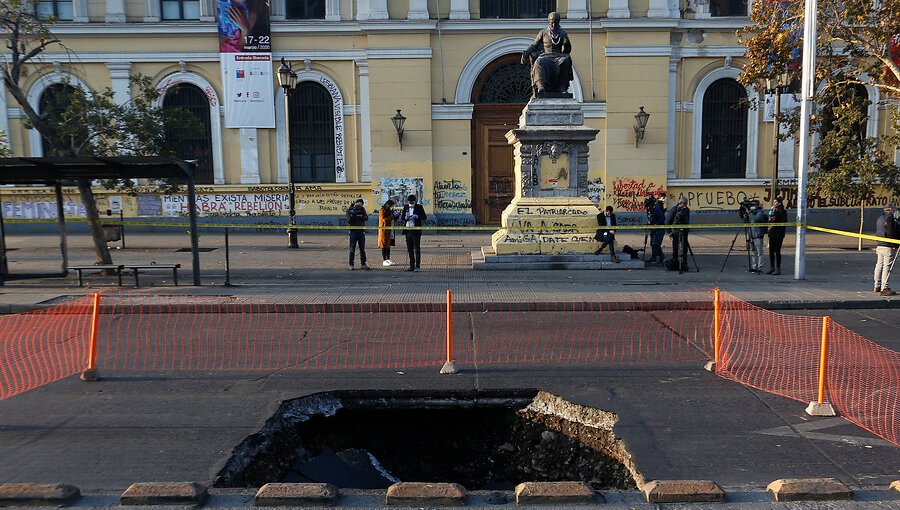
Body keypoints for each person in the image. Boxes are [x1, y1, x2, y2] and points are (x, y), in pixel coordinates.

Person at [521, 12, 573, 97]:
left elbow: (567, 50)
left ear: (558, 22)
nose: (553, 24)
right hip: (546, 55)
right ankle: (541, 86)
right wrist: (526, 52)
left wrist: (567, 43)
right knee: (539, 61)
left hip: (558, 56)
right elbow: (534, 45)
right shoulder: (543, 32)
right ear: (549, 22)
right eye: (551, 22)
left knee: (566, 60)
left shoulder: (563, 33)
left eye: (555, 22)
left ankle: (562, 87)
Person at [873, 203, 899, 295]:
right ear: (891, 209)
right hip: (887, 246)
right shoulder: (890, 218)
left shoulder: (880, 218)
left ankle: (877, 285)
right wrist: (894, 245)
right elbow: (891, 232)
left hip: (879, 245)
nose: (895, 210)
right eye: (894, 209)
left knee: (879, 265)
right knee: (886, 267)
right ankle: (885, 287)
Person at [400, 194, 427, 272]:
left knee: (417, 248)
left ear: (415, 201)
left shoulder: (419, 207)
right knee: (409, 248)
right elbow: (402, 217)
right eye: (409, 202)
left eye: (412, 202)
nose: (410, 203)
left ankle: (417, 266)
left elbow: (424, 217)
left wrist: (417, 217)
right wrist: (405, 218)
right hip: (408, 230)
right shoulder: (406, 207)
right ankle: (411, 265)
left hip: (416, 230)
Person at [666, 196, 690, 272]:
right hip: (676, 232)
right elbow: (667, 221)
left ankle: (684, 263)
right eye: (685, 204)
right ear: (681, 203)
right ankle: (675, 261)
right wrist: (669, 232)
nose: (686, 205)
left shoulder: (686, 210)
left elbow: (686, 221)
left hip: (684, 232)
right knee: (675, 247)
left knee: (684, 248)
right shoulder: (674, 210)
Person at [346, 199, 371, 270]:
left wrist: (361, 216)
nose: (359, 206)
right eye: (359, 204)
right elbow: (349, 221)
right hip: (353, 232)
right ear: (355, 204)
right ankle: (351, 265)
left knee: (362, 249)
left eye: (361, 205)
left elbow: (366, 218)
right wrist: (353, 215)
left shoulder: (362, 210)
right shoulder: (349, 210)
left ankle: (363, 264)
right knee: (352, 249)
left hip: (361, 232)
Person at [767, 197, 788, 275]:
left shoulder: (782, 211)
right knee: (771, 251)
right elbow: (770, 220)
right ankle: (772, 267)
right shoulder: (772, 211)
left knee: (777, 251)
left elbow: (781, 222)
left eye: (775, 202)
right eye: (773, 202)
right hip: (772, 233)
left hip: (778, 234)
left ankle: (778, 269)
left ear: (779, 203)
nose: (774, 203)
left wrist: (773, 225)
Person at [748, 200, 768, 273]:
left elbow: (757, 219)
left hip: (757, 235)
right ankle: (754, 267)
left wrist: (756, 211)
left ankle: (759, 267)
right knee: (754, 252)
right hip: (752, 235)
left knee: (759, 253)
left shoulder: (759, 212)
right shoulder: (752, 213)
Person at [377, 200, 398, 266]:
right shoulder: (382, 210)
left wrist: (396, 216)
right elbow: (384, 220)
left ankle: (388, 259)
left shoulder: (390, 211)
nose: (392, 207)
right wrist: (392, 216)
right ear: (388, 205)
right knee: (384, 245)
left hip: (390, 229)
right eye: (391, 206)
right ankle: (384, 259)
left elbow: (393, 219)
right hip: (384, 230)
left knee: (388, 245)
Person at [648, 196, 666, 265]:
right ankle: (654, 257)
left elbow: (662, 218)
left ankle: (662, 258)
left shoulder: (657, 209)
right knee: (652, 244)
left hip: (659, 229)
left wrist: (656, 224)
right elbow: (650, 219)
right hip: (653, 229)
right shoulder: (650, 210)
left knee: (656, 244)